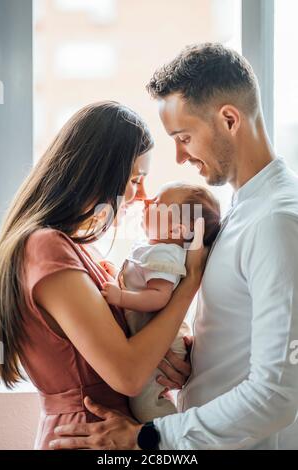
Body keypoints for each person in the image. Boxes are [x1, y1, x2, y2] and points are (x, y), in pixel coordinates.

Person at [50, 43, 298, 450]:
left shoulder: (276, 222)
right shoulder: (241, 211)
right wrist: (189, 359)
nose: (180, 157)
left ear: (230, 119)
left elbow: (276, 394)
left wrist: (150, 436)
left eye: (184, 137)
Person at [0, 101, 206, 449]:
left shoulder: (81, 252)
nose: (142, 196)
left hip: (112, 435)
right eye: (135, 180)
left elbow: (131, 358)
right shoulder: (46, 247)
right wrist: (190, 282)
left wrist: (167, 361)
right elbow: (127, 374)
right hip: (86, 436)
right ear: (97, 174)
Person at [101, 182, 221, 423]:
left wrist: (121, 296)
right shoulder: (152, 248)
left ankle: (168, 433)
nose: (147, 202)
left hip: (165, 345)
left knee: (147, 404)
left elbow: (159, 296)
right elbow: (141, 280)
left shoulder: (165, 254)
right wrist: (116, 274)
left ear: (177, 229)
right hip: (152, 337)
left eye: (157, 203)